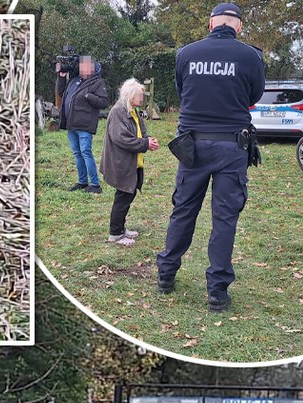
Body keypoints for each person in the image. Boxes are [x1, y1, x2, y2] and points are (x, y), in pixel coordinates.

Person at [155, 2, 265, 313]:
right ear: (238, 26)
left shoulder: (186, 54)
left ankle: (166, 274)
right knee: (225, 219)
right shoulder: (249, 56)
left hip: (192, 147)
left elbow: (182, 89)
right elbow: (254, 95)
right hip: (232, 147)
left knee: (183, 211)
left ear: (210, 23)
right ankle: (217, 290)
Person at [102, 79, 161, 246]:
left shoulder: (133, 110)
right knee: (123, 196)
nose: (142, 98)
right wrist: (145, 144)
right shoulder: (118, 111)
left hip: (133, 162)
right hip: (121, 162)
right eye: (139, 95)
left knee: (129, 194)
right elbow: (121, 138)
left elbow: (141, 132)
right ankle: (115, 234)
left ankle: (121, 229)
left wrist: (149, 140)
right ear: (130, 96)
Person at [57, 55, 109, 194]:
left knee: (86, 152)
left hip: (85, 124)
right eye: (81, 65)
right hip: (71, 123)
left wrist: (89, 96)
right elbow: (61, 93)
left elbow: (104, 102)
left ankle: (95, 184)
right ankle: (82, 182)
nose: (81, 68)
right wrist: (61, 77)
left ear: (91, 67)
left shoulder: (97, 82)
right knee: (77, 153)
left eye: (84, 65)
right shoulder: (75, 80)